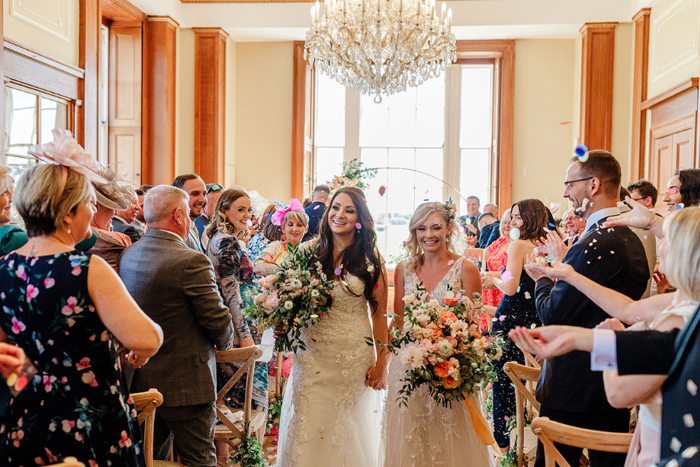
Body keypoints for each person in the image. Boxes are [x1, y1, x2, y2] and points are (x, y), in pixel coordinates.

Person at [0, 133, 163, 466]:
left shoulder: (4, 267)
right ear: (68, 214)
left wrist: (37, 377)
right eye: (89, 203)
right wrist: (141, 355)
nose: (94, 211)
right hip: (89, 417)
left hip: (26, 415)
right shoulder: (86, 268)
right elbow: (146, 337)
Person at [525, 207, 700, 467]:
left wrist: (611, 343)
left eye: (666, 240)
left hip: (664, 445)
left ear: (683, 255)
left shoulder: (677, 320)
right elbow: (626, 308)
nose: (660, 247)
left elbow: (618, 395)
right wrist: (571, 275)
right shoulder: (683, 300)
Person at [527, 150, 650, 467]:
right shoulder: (630, 238)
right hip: (612, 383)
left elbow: (553, 313)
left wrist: (541, 279)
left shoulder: (593, 243)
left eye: (570, 184)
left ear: (593, 184)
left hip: (573, 386)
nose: (565, 192)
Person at [119, 185, 234, 467]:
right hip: (187, 384)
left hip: (142, 381)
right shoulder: (190, 260)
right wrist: (226, 343)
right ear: (179, 216)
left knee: (152, 458)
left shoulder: (130, 254)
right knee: (199, 460)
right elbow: (217, 319)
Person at [277, 186, 389, 467]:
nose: (340, 215)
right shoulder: (307, 252)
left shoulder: (371, 259)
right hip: (311, 353)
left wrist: (382, 362)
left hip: (351, 358)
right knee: (308, 420)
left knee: (342, 425)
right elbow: (289, 299)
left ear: (360, 218)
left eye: (349, 210)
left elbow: (379, 315)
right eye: (336, 207)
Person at [380, 201, 490, 467]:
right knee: (412, 437)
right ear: (414, 232)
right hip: (409, 368)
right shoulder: (403, 269)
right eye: (421, 228)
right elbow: (399, 322)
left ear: (449, 229)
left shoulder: (467, 268)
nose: (428, 235)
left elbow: (475, 325)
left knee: (451, 438)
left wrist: (460, 362)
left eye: (436, 227)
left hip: (451, 368)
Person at [204, 189, 269, 466]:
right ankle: (247, 459)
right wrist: (244, 336)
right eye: (240, 210)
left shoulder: (219, 239)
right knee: (248, 401)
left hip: (235, 325)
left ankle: (225, 460)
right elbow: (230, 292)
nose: (247, 215)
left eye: (249, 210)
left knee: (228, 400)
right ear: (224, 211)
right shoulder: (228, 242)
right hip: (239, 327)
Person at [481, 199, 547, 451]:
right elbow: (517, 277)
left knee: (501, 378)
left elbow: (510, 286)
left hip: (511, 317)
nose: (513, 222)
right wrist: (496, 275)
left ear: (529, 219)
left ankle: (504, 446)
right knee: (517, 378)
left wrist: (494, 281)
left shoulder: (518, 244)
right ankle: (517, 433)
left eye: (518, 217)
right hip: (534, 316)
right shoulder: (542, 243)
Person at [88, 167, 137, 272]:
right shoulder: (120, 239)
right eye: (111, 206)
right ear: (95, 206)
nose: (115, 213)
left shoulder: (68, 237)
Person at [256, 200, 309, 274]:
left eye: (299, 225)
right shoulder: (275, 246)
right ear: (283, 228)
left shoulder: (307, 250)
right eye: (290, 225)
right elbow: (258, 267)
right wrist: (284, 270)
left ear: (306, 229)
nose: (294, 229)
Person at [172, 174, 207, 253]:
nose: (203, 200)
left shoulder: (192, 226)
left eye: (204, 194)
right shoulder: (176, 232)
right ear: (178, 197)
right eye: (195, 194)